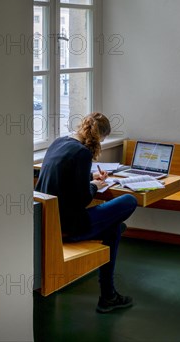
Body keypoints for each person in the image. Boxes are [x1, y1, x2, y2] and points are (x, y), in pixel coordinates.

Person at [35, 112, 138, 313]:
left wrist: (90, 176)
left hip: (48, 221)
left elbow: (64, 177)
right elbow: (83, 200)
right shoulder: (82, 153)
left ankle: (109, 296)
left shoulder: (59, 142)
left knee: (113, 227)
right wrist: (93, 184)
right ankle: (108, 296)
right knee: (129, 201)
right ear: (101, 137)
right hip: (68, 227)